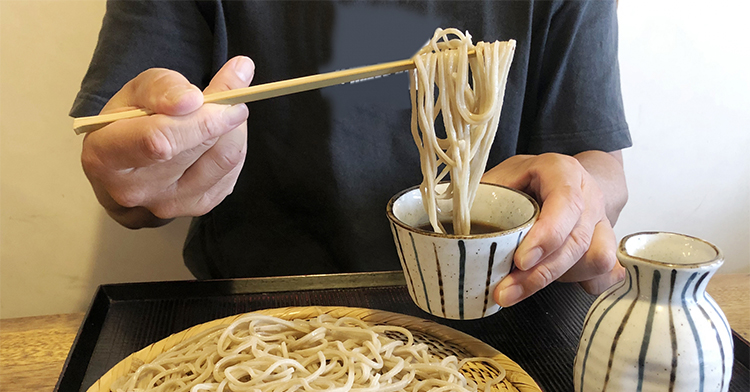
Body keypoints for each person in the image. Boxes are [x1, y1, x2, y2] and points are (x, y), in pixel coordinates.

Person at [71, 0, 631, 308]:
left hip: (499, 309)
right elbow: (124, 163)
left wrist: (582, 195)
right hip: (260, 315)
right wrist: (145, 170)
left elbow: (600, 164)